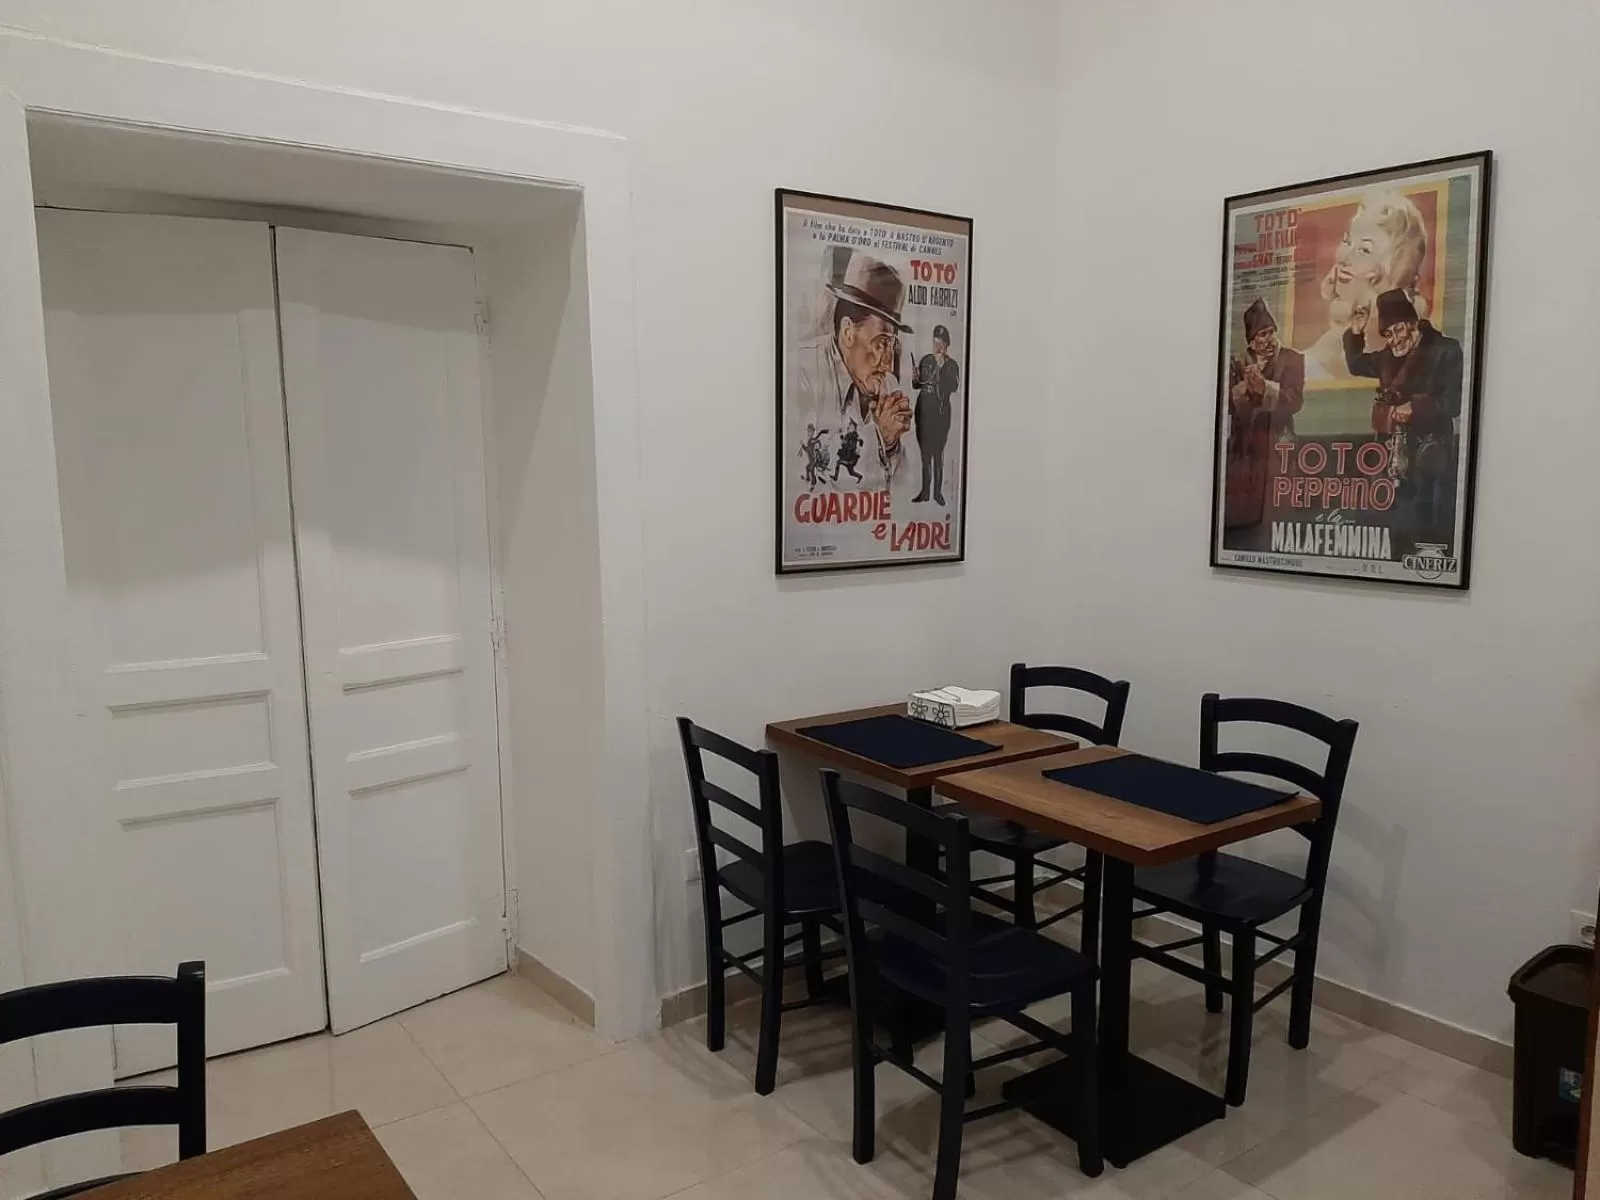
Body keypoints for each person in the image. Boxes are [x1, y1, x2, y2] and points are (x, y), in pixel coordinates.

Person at [1344, 288, 1464, 549]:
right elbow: (1355, 364)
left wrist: (1416, 407)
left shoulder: (1446, 350)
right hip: (1393, 458)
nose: (1395, 340)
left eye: (1399, 330)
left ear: (1414, 324)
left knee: (1428, 526)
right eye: (1388, 334)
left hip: (1429, 455)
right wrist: (1356, 331)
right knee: (1396, 525)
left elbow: (1454, 403)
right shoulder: (1387, 357)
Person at [788, 253, 918, 492]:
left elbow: (901, 489)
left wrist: (892, 446)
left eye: (892, 346)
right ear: (848, 332)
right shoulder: (801, 368)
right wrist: (880, 437)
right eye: (881, 343)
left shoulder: (885, 383)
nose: (888, 364)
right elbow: (801, 476)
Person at [1304, 191, 1429, 379]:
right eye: (1347, 242)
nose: (1342, 257)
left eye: (1364, 250)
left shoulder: (1412, 354)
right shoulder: (1326, 349)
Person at [1224, 298, 1304, 528]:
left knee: (1275, 515)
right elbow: (1227, 406)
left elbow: (1295, 401)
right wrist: (1244, 389)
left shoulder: (1292, 360)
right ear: (1251, 342)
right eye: (1262, 335)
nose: (1269, 340)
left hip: (1276, 445)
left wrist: (1265, 388)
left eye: (1271, 332)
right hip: (1245, 450)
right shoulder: (1237, 364)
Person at [911, 324, 960, 505]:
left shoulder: (952, 365)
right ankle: (925, 492)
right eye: (934, 341)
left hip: (940, 414)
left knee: (938, 454)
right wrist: (915, 379)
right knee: (925, 454)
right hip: (924, 411)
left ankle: (937, 493)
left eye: (939, 342)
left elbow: (954, 387)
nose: (936, 345)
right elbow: (917, 386)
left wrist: (941, 367)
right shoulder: (926, 360)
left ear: (946, 344)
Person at [832, 420, 863, 484]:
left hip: (851, 458)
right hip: (847, 455)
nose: (849, 426)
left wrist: (845, 443)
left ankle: (835, 477)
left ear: (854, 428)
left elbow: (852, 447)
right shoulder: (848, 434)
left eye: (851, 426)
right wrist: (843, 439)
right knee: (851, 472)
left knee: (839, 462)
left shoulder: (854, 436)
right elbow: (844, 444)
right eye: (849, 425)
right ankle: (860, 476)